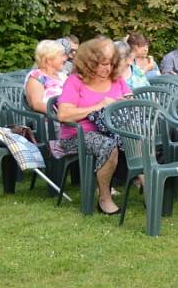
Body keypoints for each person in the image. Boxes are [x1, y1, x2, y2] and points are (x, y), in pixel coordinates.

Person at [57, 37, 129, 215]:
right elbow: (63, 114)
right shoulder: (75, 81)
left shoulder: (117, 80)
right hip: (77, 135)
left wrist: (123, 104)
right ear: (89, 63)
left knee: (137, 141)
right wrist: (99, 105)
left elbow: (130, 103)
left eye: (111, 64)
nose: (107, 69)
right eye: (102, 64)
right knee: (108, 145)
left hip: (113, 130)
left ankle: (149, 190)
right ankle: (104, 198)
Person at [25, 40, 68, 113]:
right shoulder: (36, 78)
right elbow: (36, 104)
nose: (64, 59)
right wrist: (61, 113)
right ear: (49, 60)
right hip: (52, 120)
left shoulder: (62, 76)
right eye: (61, 56)